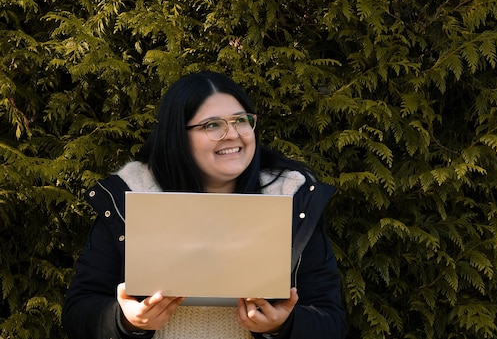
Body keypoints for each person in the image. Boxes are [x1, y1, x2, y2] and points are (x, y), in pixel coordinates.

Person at [62, 71, 347, 339]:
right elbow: (79, 311)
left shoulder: (291, 198)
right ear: (178, 136)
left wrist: (286, 325)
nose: (233, 134)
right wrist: (125, 322)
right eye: (212, 125)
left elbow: (331, 320)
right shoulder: (129, 196)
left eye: (241, 120)